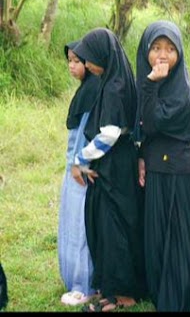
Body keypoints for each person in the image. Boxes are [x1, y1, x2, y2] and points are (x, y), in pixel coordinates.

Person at [134, 21, 190, 312]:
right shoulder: (146, 82)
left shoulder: (179, 87)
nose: (163, 55)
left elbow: (154, 121)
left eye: (170, 49)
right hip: (159, 169)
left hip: (179, 173)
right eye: (156, 48)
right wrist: (142, 155)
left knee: (180, 239)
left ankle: (180, 294)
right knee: (159, 237)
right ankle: (162, 288)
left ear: (180, 53)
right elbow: (143, 129)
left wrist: (151, 84)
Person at [70, 28, 145, 312]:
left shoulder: (114, 87)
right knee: (109, 225)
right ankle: (113, 289)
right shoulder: (112, 80)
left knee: (116, 228)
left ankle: (124, 294)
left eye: (89, 58)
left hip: (115, 165)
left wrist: (81, 158)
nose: (87, 64)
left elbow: (109, 133)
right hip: (116, 162)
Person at [58, 45, 99, 307]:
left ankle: (83, 284)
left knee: (80, 225)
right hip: (73, 164)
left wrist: (78, 163)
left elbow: (87, 133)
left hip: (81, 167)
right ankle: (74, 279)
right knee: (71, 222)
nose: (72, 66)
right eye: (69, 61)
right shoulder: (86, 88)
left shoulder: (94, 89)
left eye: (77, 61)